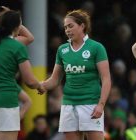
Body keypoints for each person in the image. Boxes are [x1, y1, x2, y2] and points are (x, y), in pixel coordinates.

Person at [0, 10, 45, 140]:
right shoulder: (17, 46)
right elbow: (29, 81)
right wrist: (39, 86)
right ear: (17, 27)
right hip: (5, 101)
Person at [42, 9, 111, 140]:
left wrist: (101, 104)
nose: (67, 30)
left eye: (70, 26)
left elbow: (106, 79)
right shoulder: (62, 50)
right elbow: (55, 79)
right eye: (65, 27)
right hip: (68, 104)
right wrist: (42, 85)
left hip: (90, 103)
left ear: (82, 26)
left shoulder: (96, 47)